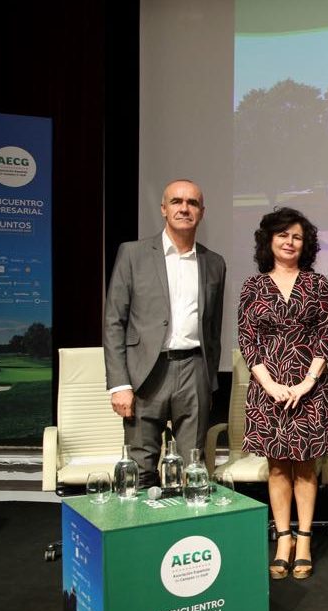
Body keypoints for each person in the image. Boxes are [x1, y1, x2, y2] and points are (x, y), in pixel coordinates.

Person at [104, 179, 226, 488]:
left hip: (193, 371)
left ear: (202, 211)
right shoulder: (132, 254)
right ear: (163, 209)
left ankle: (187, 536)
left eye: (192, 203)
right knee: (140, 467)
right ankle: (141, 535)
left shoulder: (214, 263)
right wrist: (119, 384)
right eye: (176, 201)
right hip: (146, 373)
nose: (184, 208)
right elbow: (113, 322)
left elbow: (212, 330)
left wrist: (208, 381)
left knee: (193, 468)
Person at [239, 207, 328, 580]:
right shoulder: (253, 286)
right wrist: (272, 385)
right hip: (269, 389)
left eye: (296, 236)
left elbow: (326, 337)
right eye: (282, 235)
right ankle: (283, 540)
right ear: (269, 241)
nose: (289, 242)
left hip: (309, 388)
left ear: (305, 243)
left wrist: (305, 383)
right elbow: (248, 341)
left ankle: (305, 540)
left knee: (306, 466)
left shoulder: (317, 284)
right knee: (278, 466)